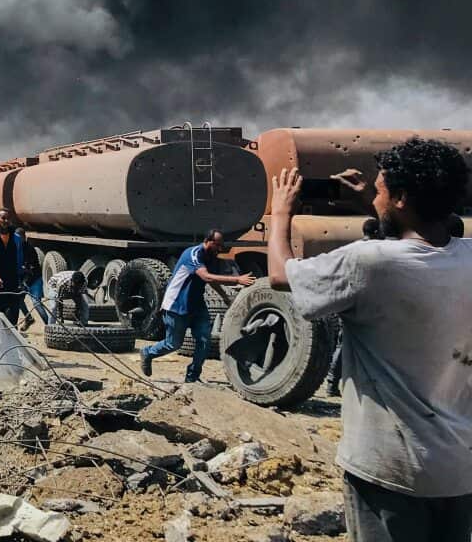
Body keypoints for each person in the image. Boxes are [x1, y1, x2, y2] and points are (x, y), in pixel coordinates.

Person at [268, 139, 472, 542]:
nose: (374, 197)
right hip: (458, 466)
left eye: (380, 191)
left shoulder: (366, 263)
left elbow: (280, 274)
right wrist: (372, 202)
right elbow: (410, 248)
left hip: (392, 468)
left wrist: (279, 214)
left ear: (400, 198)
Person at [140, 230, 256, 382]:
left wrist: (225, 298)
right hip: (177, 304)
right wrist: (237, 280)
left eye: (222, 245)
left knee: (204, 341)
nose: (220, 249)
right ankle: (148, 353)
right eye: (218, 245)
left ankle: (192, 377)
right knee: (173, 344)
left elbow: (211, 281)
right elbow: (205, 276)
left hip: (197, 305)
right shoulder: (193, 254)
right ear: (208, 241)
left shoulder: (212, 257)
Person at [326, 217, 383, 397]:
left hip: (348, 301)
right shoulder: (376, 251)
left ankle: (332, 384)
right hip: (366, 304)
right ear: (376, 232)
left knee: (344, 345)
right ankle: (336, 383)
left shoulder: (352, 249)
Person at [15, 227, 45, 331]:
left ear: (24, 237)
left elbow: (31, 269)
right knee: (18, 300)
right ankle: (28, 318)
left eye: (19, 238)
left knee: (36, 303)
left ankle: (49, 325)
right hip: (24, 280)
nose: (17, 240)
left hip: (34, 279)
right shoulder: (14, 249)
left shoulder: (29, 249)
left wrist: (24, 281)